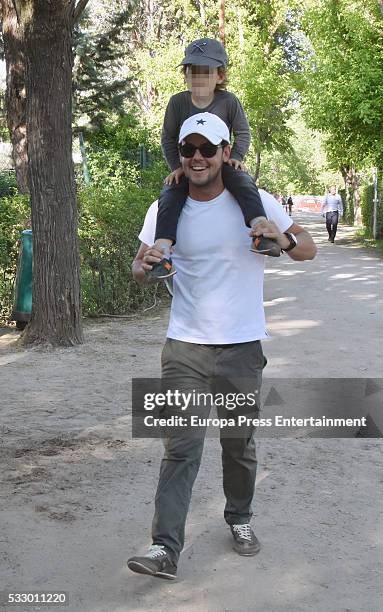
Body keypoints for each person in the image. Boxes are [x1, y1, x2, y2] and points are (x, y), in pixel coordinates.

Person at [127, 113, 317, 580]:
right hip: (185, 349)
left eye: (207, 149)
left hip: (241, 348)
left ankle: (240, 519)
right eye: (188, 149)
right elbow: (137, 267)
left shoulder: (254, 200)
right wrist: (144, 263)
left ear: (225, 153)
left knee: (238, 445)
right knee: (180, 449)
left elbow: (308, 248)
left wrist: (285, 237)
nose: (196, 158)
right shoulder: (163, 208)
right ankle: (163, 548)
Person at [149, 37, 280, 280]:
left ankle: (261, 230)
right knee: (169, 193)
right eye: (192, 71)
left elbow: (243, 132)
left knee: (243, 181)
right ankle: (163, 251)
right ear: (185, 75)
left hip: (219, 161)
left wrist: (237, 157)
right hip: (189, 164)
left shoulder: (228, 101)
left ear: (219, 76)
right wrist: (177, 167)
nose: (198, 78)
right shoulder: (177, 102)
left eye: (205, 72)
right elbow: (168, 138)